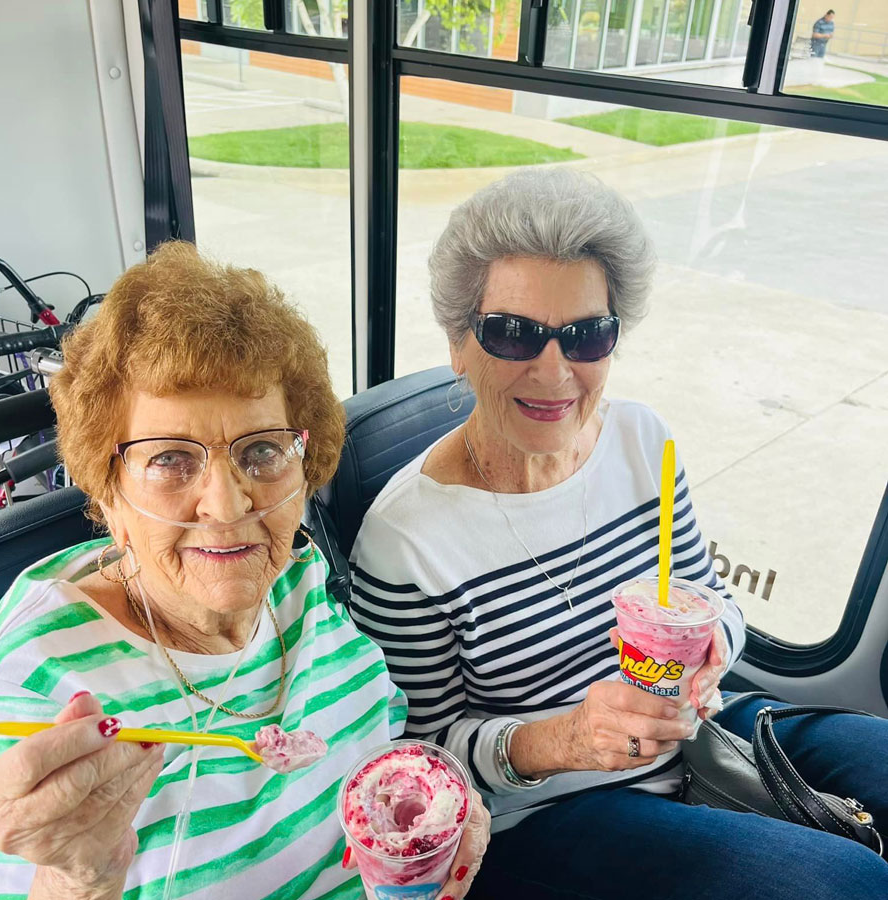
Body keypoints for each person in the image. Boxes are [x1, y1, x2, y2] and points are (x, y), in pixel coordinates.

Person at [348, 169, 888, 899]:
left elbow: (710, 594)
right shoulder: (404, 540)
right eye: (512, 334)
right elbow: (418, 756)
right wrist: (569, 737)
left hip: (703, 730)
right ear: (458, 344)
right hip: (550, 808)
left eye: (586, 335)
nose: (554, 370)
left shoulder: (643, 439)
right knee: (848, 884)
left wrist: (712, 644)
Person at [0, 243, 489, 900]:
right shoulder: (37, 686)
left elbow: (379, 746)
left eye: (261, 450)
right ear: (108, 489)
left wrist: (449, 812)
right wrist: (79, 882)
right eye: (169, 459)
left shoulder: (301, 579)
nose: (226, 506)